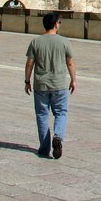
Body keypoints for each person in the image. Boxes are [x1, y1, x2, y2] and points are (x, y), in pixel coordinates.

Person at [24, 13, 76, 159]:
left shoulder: (36, 41)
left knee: (42, 115)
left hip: (41, 85)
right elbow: (70, 62)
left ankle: (44, 148)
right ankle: (58, 136)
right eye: (59, 22)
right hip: (59, 84)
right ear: (55, 25)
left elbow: (29, 64)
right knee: (61, 113)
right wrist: (73, 80)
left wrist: (27, 81)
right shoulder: (64, 41)